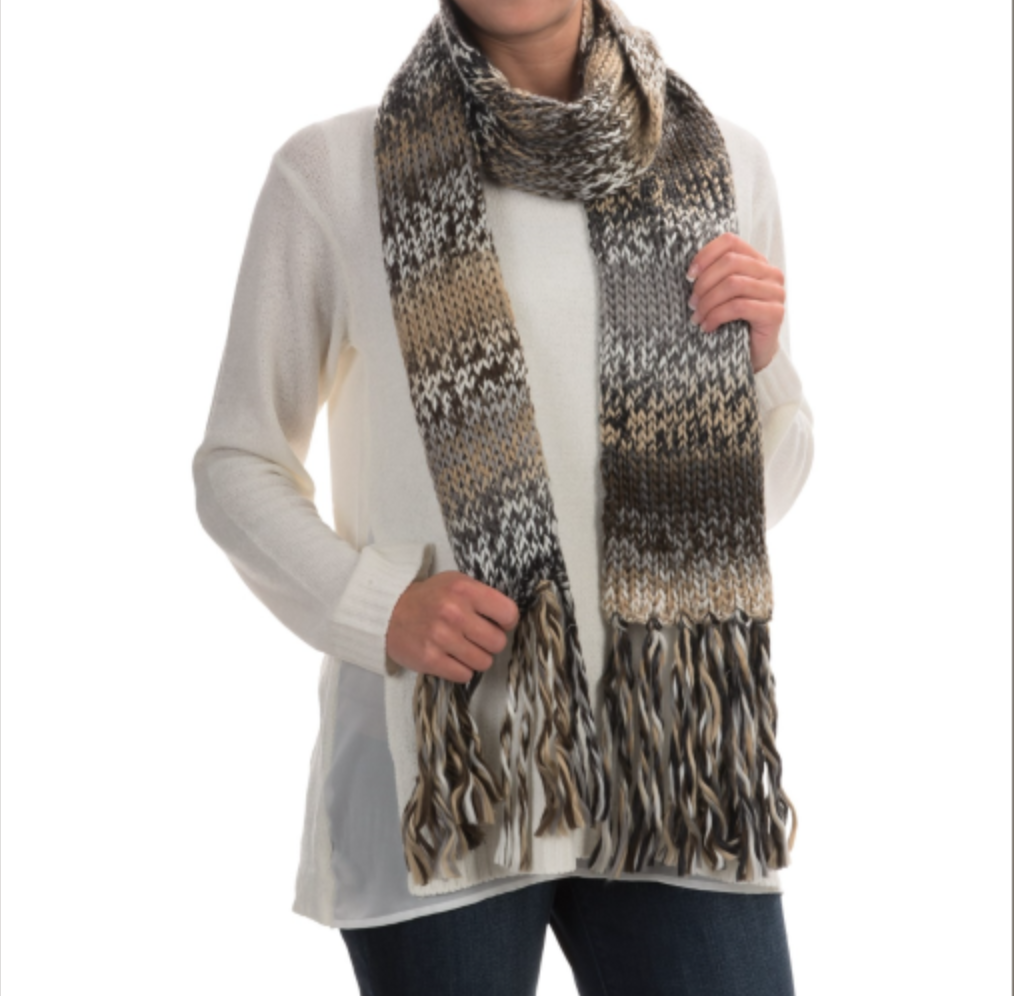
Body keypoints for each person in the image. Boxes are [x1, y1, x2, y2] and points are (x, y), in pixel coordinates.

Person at [191, 0, 815, 992]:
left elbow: (779, 459)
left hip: (671, 763)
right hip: (448, 776)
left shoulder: (725, 164)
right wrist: (378, 607)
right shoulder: (335, 173)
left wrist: (754, 369)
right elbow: (236, 462)